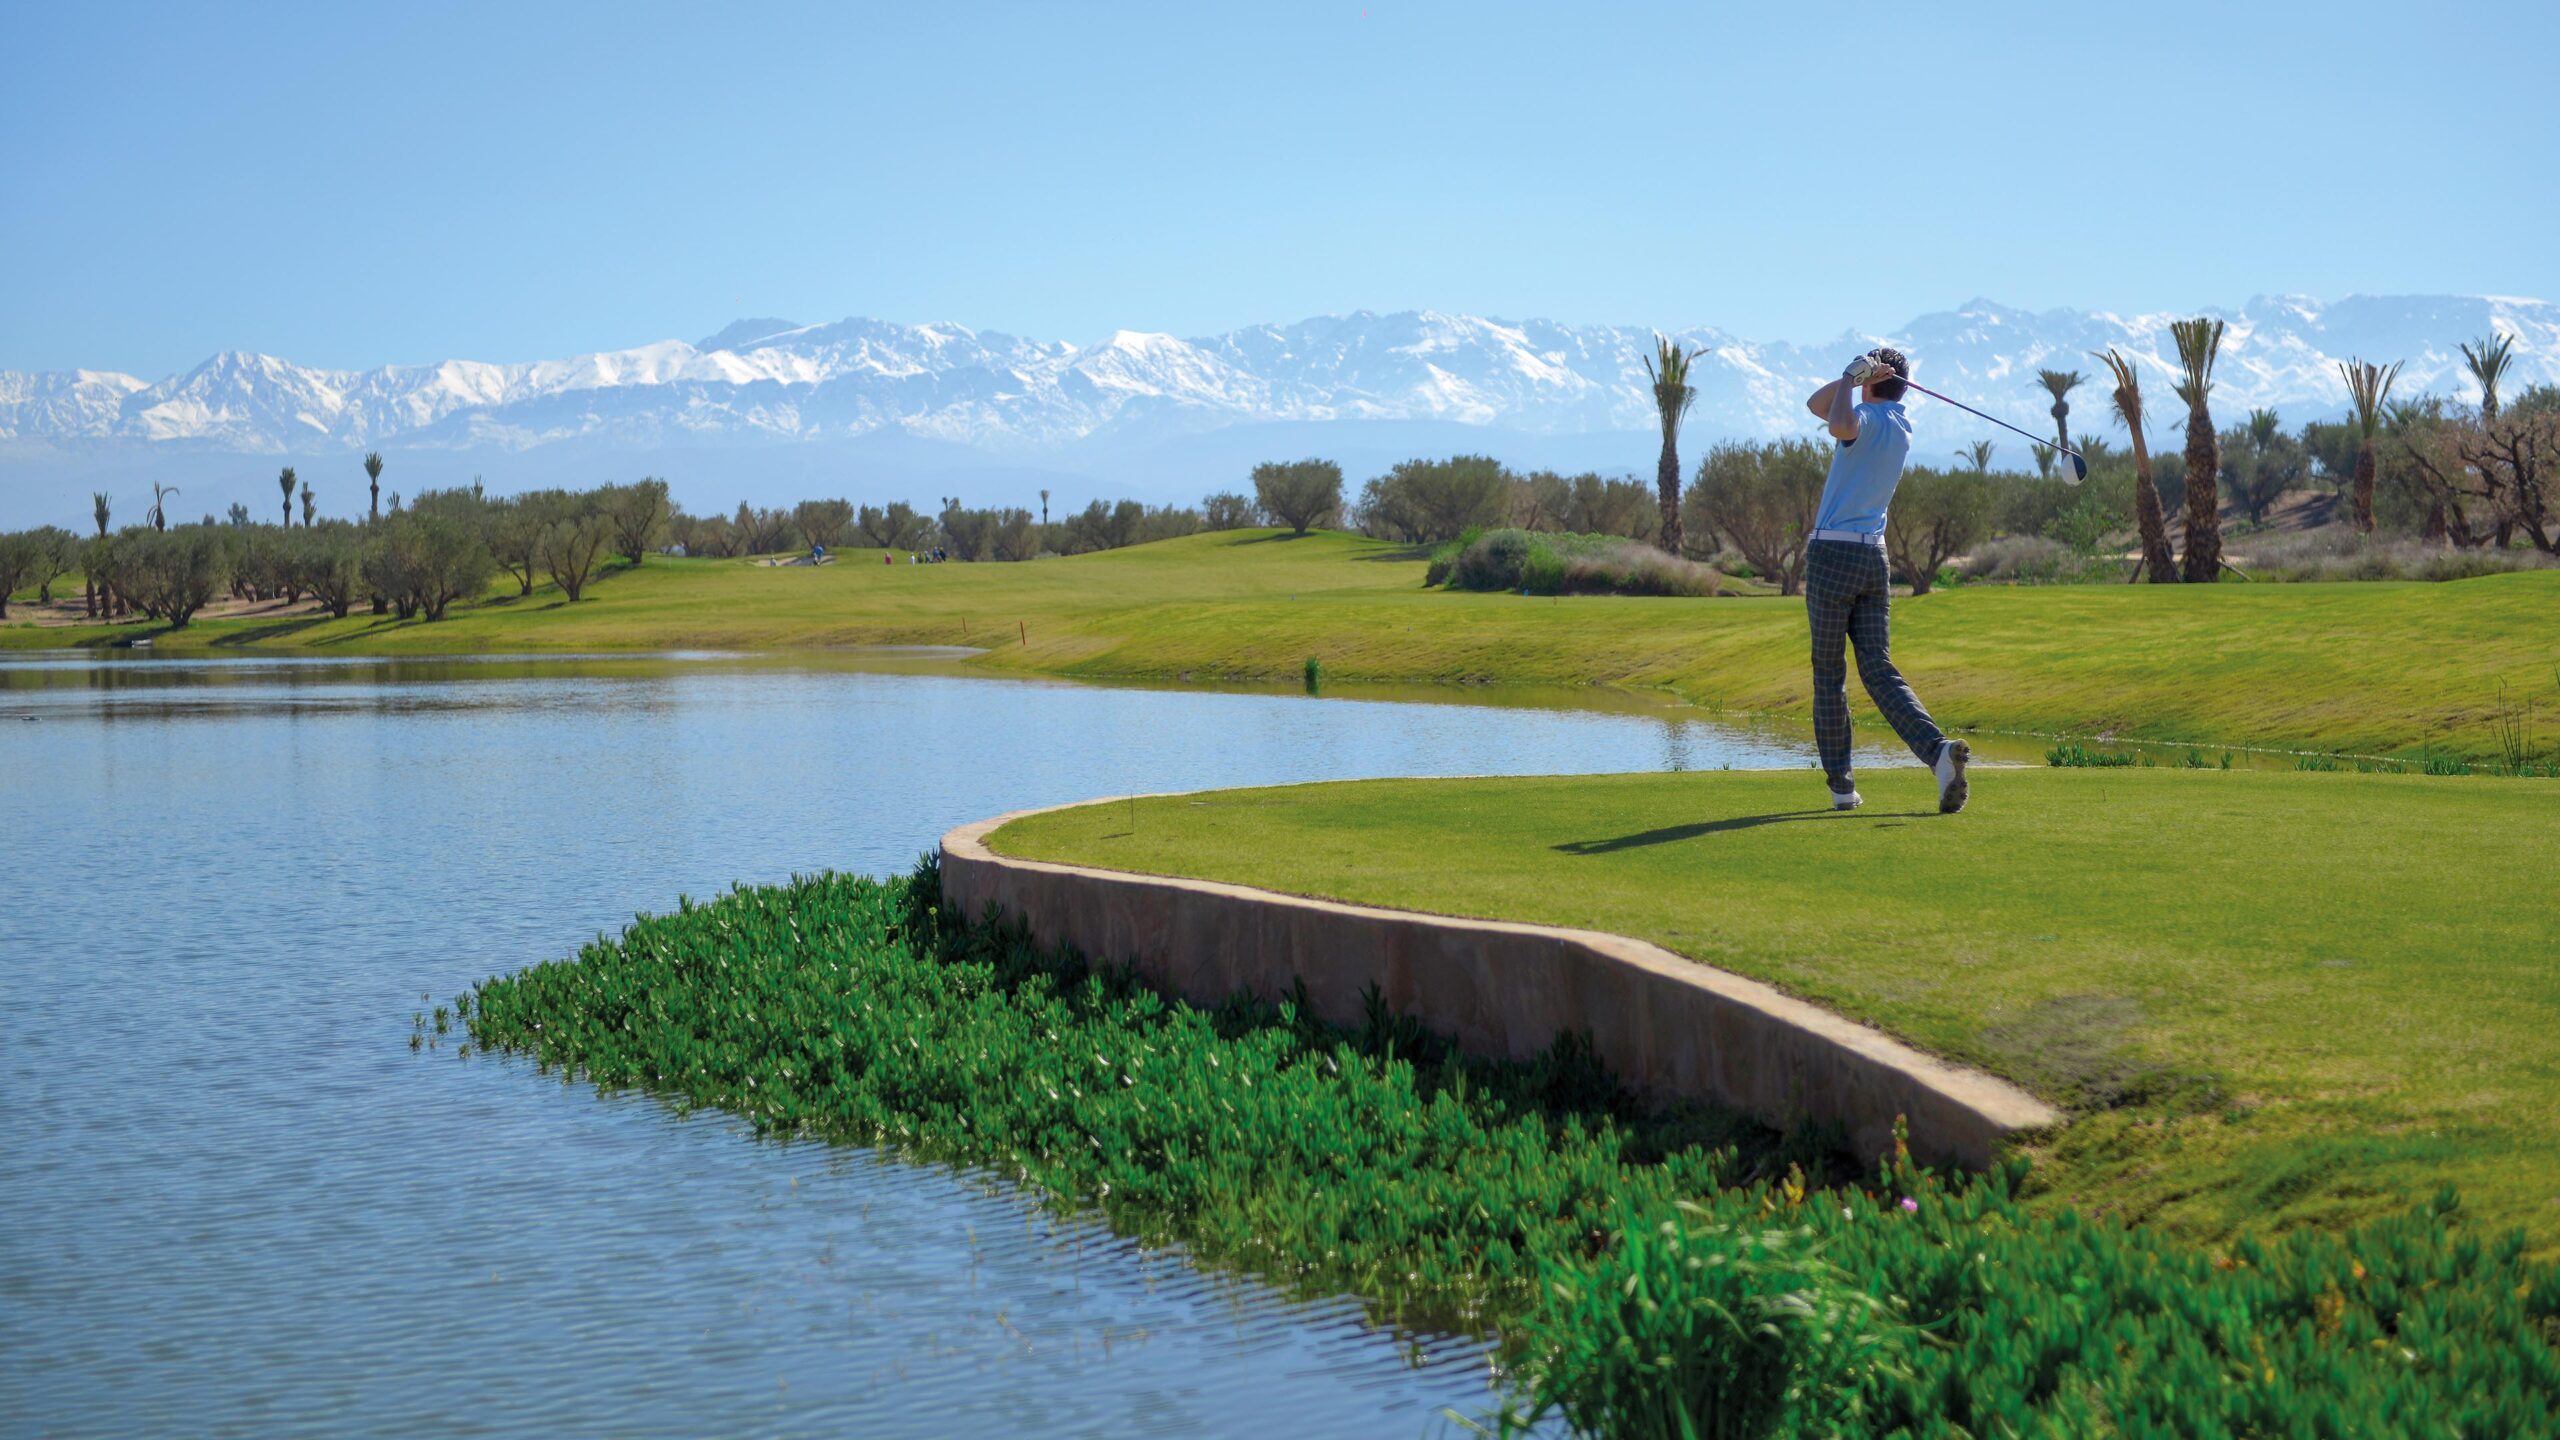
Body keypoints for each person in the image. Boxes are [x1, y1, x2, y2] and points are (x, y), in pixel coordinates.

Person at [1800, 346, 1969, 814]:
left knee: (1830, 674)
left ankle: (1841, 787)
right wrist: (1856, 380)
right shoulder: (1901, 425)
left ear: (1875, 382)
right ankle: (1938, 754)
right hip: (1874, 560)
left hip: (1832, 556)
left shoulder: (1869, 421)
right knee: (1878, 670)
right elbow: (1818, 405)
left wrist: (1850, 376)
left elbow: (1837, 423)